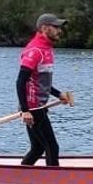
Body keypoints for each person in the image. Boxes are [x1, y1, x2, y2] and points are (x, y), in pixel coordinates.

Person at [17, 13, 73, 166]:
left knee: (38, 148)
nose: (59, 31)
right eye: (56, 27)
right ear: (44, 28)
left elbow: (41, 83)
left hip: (39, 106)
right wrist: (25, 110)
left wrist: (58, 94)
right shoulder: (35, 51)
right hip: (33, 108)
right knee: (52, 147)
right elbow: (21, 81)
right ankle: (53, 180)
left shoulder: (47, 49)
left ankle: (20, 175)